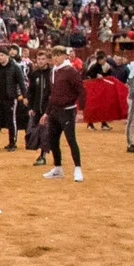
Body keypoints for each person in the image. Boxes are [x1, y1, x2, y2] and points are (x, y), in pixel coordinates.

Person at [43, 53, 84, 182]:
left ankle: (78, 169)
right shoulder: (53, 72)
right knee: (53, 140)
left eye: (58, 55)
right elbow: (52, 94)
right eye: (53, 56)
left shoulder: (71, 71)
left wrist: (81, 110)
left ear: (64, 57)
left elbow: (81, 90)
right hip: (55, 111)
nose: (55, 58)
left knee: (71, 140)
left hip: (67, 110)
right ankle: (58, 168)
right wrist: (46, 113)